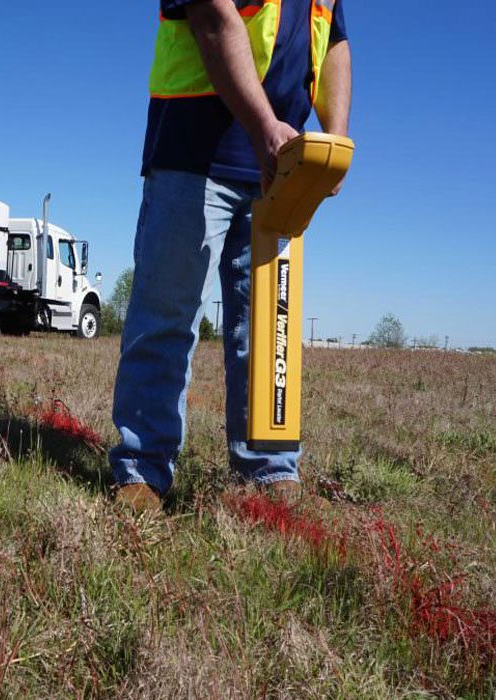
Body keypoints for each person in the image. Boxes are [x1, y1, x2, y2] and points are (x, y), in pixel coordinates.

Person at [110, 0, 352, 512]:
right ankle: (143, 471)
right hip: (195, 152)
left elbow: (334, 45)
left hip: (281, 166)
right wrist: (265, 127)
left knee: (270, 330)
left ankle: (269, 470)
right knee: (167, 317)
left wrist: (335, 140)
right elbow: (210, 18)